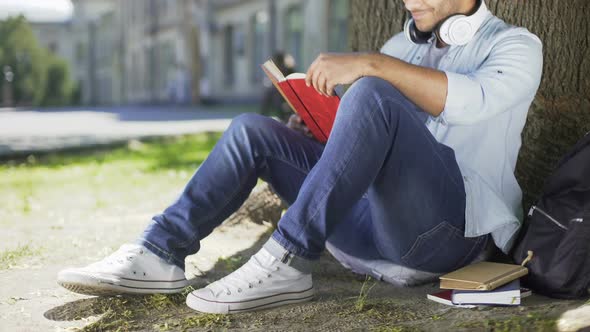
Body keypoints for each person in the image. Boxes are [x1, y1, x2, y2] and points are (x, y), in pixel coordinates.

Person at [57, 0, 543, 314]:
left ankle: (287, 259)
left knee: (372, 90)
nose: (409, 2)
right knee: (253, 131)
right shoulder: (402, 46)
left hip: (450, 236)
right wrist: (319, 125)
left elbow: (470, 100)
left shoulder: (517, 46)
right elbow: (368, 137)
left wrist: (370, 66)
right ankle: (160, 253)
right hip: (372, 229)